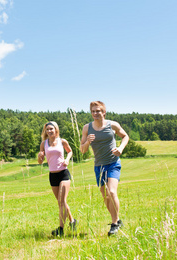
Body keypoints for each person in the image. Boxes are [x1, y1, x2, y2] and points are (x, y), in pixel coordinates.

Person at [80, 101, 129, 236]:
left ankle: (114, 224)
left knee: (112, 192)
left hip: (113, 163)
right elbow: (82, 150)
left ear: (104, 112)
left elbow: (125, 136)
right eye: (93, 111)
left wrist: (120, 148)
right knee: (106, 197)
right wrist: (88, 141)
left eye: (98, 111)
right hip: (99, 166)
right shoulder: (86, 128)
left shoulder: (112, 125)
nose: (95, 113)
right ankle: (118, 220)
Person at [38, 121, 77, 237]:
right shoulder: (43, 143)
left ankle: (61, 229)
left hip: (63, 174)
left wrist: (67, 159)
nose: (49, 131)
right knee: (61, 202)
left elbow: (70, 152)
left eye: (51, 129)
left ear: (56, 130)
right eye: (47, 129)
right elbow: (40, 161)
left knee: (61, 201)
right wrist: (39, 157)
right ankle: (72, 221)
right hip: (53, 175)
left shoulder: (62, 141)